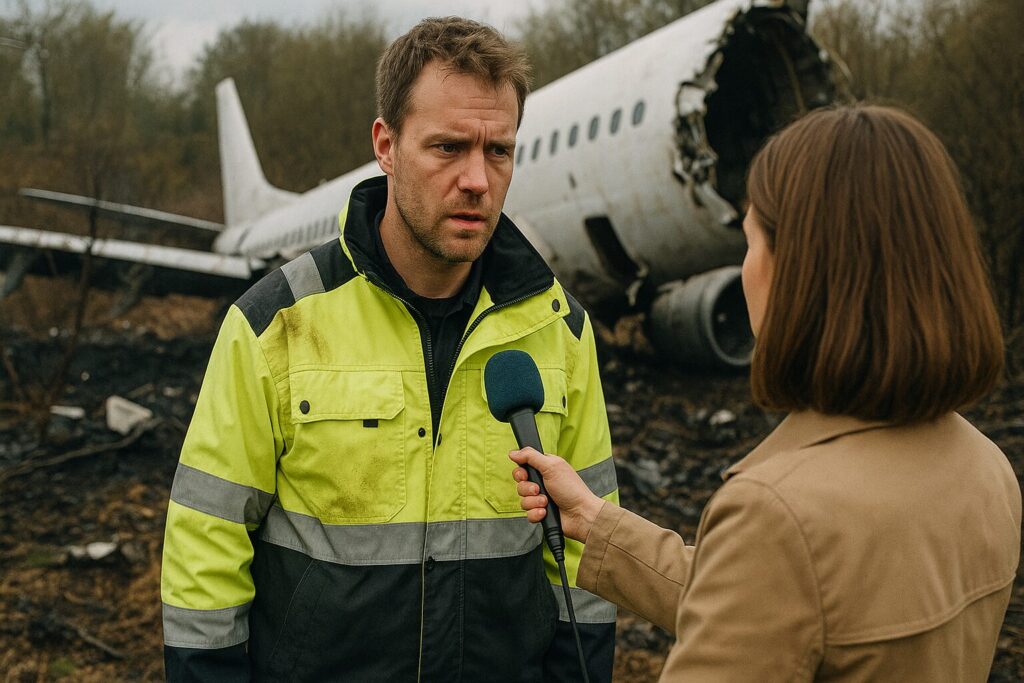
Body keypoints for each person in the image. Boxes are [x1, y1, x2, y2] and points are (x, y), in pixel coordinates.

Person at [160, 17, 618, 682]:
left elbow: (588, 550)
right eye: (447, 147)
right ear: (387, 144)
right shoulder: (273, 323)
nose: (477, 181)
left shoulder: (562, 330)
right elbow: (206, 543)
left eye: (499, 152)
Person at [511, 105, 1022, 681]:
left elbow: (784, 584)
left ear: (802, 270)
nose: (744, 266)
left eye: (751, 240)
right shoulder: (986, 467)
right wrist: (596, 522)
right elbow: (788, 610)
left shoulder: (776, 516)